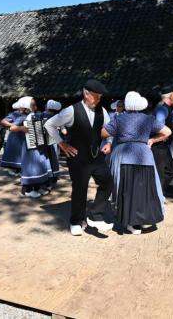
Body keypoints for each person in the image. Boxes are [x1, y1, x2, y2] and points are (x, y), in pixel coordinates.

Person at [45, 79, 114, 236]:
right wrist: (62, 144)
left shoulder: (102, 111)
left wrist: (109, 142)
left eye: (100, 97)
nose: (98, 99)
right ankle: (76, 221)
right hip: (78, 158)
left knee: (108, 182)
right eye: (96, 96)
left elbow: (109, 128)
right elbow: (49, 124)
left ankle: (96, 215)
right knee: (80, 189)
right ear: (86, 94)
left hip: (97, 156)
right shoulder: (71, 110)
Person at [102, 91, 171, 234]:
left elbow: (103, 133)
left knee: (126, 188)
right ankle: (144, 219)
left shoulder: (119, 119)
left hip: (123, 154)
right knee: (144, 187)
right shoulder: (148, 119)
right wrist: (152, 139)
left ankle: (130, 222)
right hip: (143, 154)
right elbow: (167, 132)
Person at [10, 96, 53, 198]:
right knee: (30, 168)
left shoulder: (38, 115)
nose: (35, 106)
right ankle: (27, 190)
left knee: (39, 167)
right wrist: (22, 128)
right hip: (29, 147)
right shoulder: (23, 117)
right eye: (32, 104)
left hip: (39, 145)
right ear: (26, 106)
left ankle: (37, 187)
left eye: (35, 104)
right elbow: (12, 127)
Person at [151, 92, 173, 193]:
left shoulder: (165, 108)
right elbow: (158, 125)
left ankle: (157, 194)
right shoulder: (162, 108)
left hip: (162, 145)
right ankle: (157, 196)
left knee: (170, 171)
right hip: (159, 145)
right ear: (170, 97)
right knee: (163, 172)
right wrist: (162, 135)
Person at [0, 100, 26, 176]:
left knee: (21, 153)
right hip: (15, 136)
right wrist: (12, 125)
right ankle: (13, 169)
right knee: (14, 153)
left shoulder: (26, 114)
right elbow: (3, 121)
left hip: (22, 136)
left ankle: (20, 169)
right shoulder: (14, 114)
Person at [43, 99, 63, 184]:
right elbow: (64, 131)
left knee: (46, 157)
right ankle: (54, 176)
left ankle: (46, 175)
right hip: (54, 139)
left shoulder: (40, 115)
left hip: (43, 139)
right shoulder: (58, 117)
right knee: (54, 157)